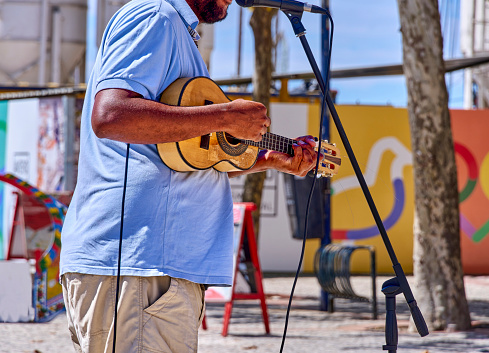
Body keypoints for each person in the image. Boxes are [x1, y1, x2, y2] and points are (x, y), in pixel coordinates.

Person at [59, 0, 318, 351]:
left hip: (152, 271)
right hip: (139, 265)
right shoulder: (155, 16)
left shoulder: (178, 32)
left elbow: (193, 155)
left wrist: (270, 159)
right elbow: (111, 115)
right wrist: (224, 117)